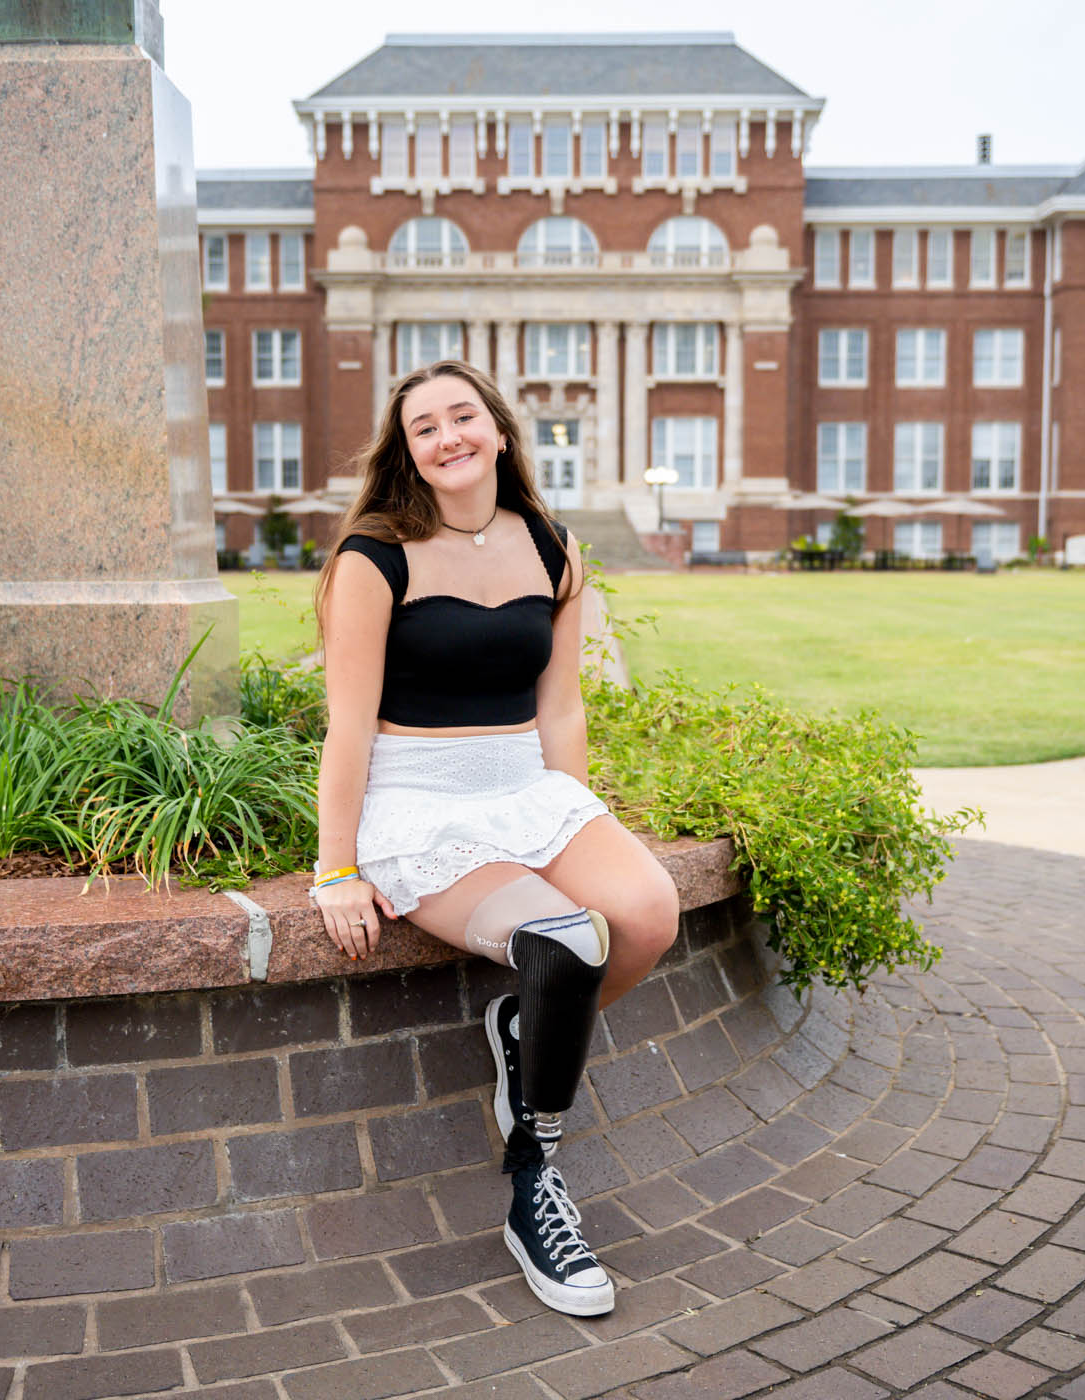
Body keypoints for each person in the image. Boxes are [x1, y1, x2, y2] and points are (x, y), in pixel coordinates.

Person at [309, 359, 679, 1317]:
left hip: (526, 784)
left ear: (500, 431)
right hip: (418, 798)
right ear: (411, 454)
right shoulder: (373, 556)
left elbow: (562, 706)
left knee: (644, 914)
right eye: (424, 427)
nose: (447, 437)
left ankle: (523, 1028)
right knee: (562, 941)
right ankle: (534, 1187)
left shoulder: (553, 548)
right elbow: (347, 725)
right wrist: (337, 868)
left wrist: (577, 819)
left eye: (462, 416)